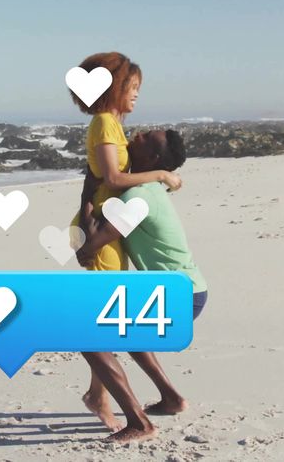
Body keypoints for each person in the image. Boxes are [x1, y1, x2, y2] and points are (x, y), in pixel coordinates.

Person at [68, 52, 182, 442]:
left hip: (106, 226)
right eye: (132, 88)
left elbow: (96, 177)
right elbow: (114, 177)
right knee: (104, 323)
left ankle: (100, 395)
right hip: (103, 232)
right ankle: (109, 403)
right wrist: (163, 174)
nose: (136, 96)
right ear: (114, 87)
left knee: (109, 321)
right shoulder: (103, 122)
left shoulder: (113, 123)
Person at [76, 129, 208, 434]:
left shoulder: (139, 197)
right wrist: (164, 175)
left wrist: (87, 190)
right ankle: (171, 398)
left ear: (153, 157)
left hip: (181, 296)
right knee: (129, 333)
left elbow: (93, 241)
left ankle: (139, 422)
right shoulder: (149, 189)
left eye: (146, 138)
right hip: (186, 289)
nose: (136, 135)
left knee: (88, 336)